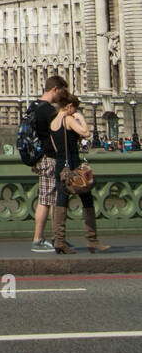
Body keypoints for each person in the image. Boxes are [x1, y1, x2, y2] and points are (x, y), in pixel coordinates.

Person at [50, 90, 111, 254]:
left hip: (60, 166)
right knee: (87, 201)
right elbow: (86, 133)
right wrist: (81, 119)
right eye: (75, 109)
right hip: (74, 166)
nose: (75, 112)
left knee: (61, 203)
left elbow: (56, 147)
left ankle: (59, 241)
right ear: (69, 106)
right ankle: (92, 241)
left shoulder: (53, 122)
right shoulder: (68, 119)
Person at [29, 74, 67, 253]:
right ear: (55, 89)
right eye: (62, 91)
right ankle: (38, 239)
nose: (62, 95)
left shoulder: (34, 106)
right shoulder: (48, 111)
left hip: (40, 158)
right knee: (46, 200)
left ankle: (56, 238)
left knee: (52, 200)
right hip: (49, 159)